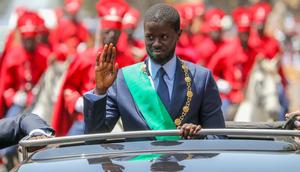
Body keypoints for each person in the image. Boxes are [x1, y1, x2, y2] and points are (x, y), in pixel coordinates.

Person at [83, 3, 225, 139]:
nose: (156, 44)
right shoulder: (123, 79)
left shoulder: (201, 78)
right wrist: (100, 91)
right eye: (150, 37)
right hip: (137, 163)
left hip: (185, 162)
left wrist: (198, 137)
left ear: (178, 34)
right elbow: (95, 137)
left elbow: (218, 138)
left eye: (164, 37)